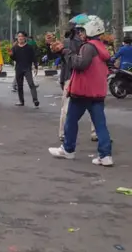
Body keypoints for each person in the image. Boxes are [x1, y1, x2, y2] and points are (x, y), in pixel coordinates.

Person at [47, 15, 113, 167]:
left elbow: (79, 64)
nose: (80, 33)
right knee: (100, 124)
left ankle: (68, 149)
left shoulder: (88, 47)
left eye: (82, 30)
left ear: (89, 29)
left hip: (83, 91)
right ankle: (105, 155)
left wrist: (65, 51)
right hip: (97, 92)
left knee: (71, 120)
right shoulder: (100, 46)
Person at [50, 17, 98, 142]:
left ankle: (63, 133)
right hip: (81, 77)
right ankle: (96, 132)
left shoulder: (68, 42)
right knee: (94, 106)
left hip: (70, 77)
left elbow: (61, 57)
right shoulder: (88, 44)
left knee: (67, 108)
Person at [10, 31, 40, 107]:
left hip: (27, 68)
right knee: (19, 86)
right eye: (19, 36)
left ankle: (35, 99)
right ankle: (21, 101)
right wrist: (11, 55)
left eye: (22, 36)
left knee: (31, 84)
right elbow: (14, 58)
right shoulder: (14, 47)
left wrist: (36, 67)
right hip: (19, 68)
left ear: (25, 38)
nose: (20, 38)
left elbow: (34, 58)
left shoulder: (29, 47)